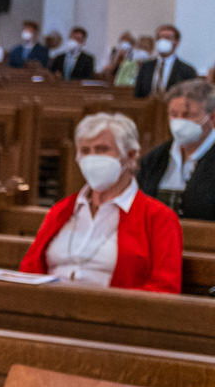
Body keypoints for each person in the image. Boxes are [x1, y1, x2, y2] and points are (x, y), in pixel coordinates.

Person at [20, 111, 180, 291]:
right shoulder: (63, 209)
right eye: (85, 151)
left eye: (102, 149)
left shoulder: (158, 217)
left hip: (113, 307)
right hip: (49, 303)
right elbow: (29, 269)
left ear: (131, 155)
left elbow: (165, 287)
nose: (92, 158)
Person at [138, 78, 215, 219]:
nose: (179, 122)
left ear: (212, 118)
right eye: (174, 114)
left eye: (188, 115)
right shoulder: (155, 158)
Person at [137, 24, 195, 97]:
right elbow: (138, 95)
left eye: (167, 38)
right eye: (159, 38)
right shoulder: (146, 67)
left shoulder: (186, 70)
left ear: (177, 43)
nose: (162, 41)